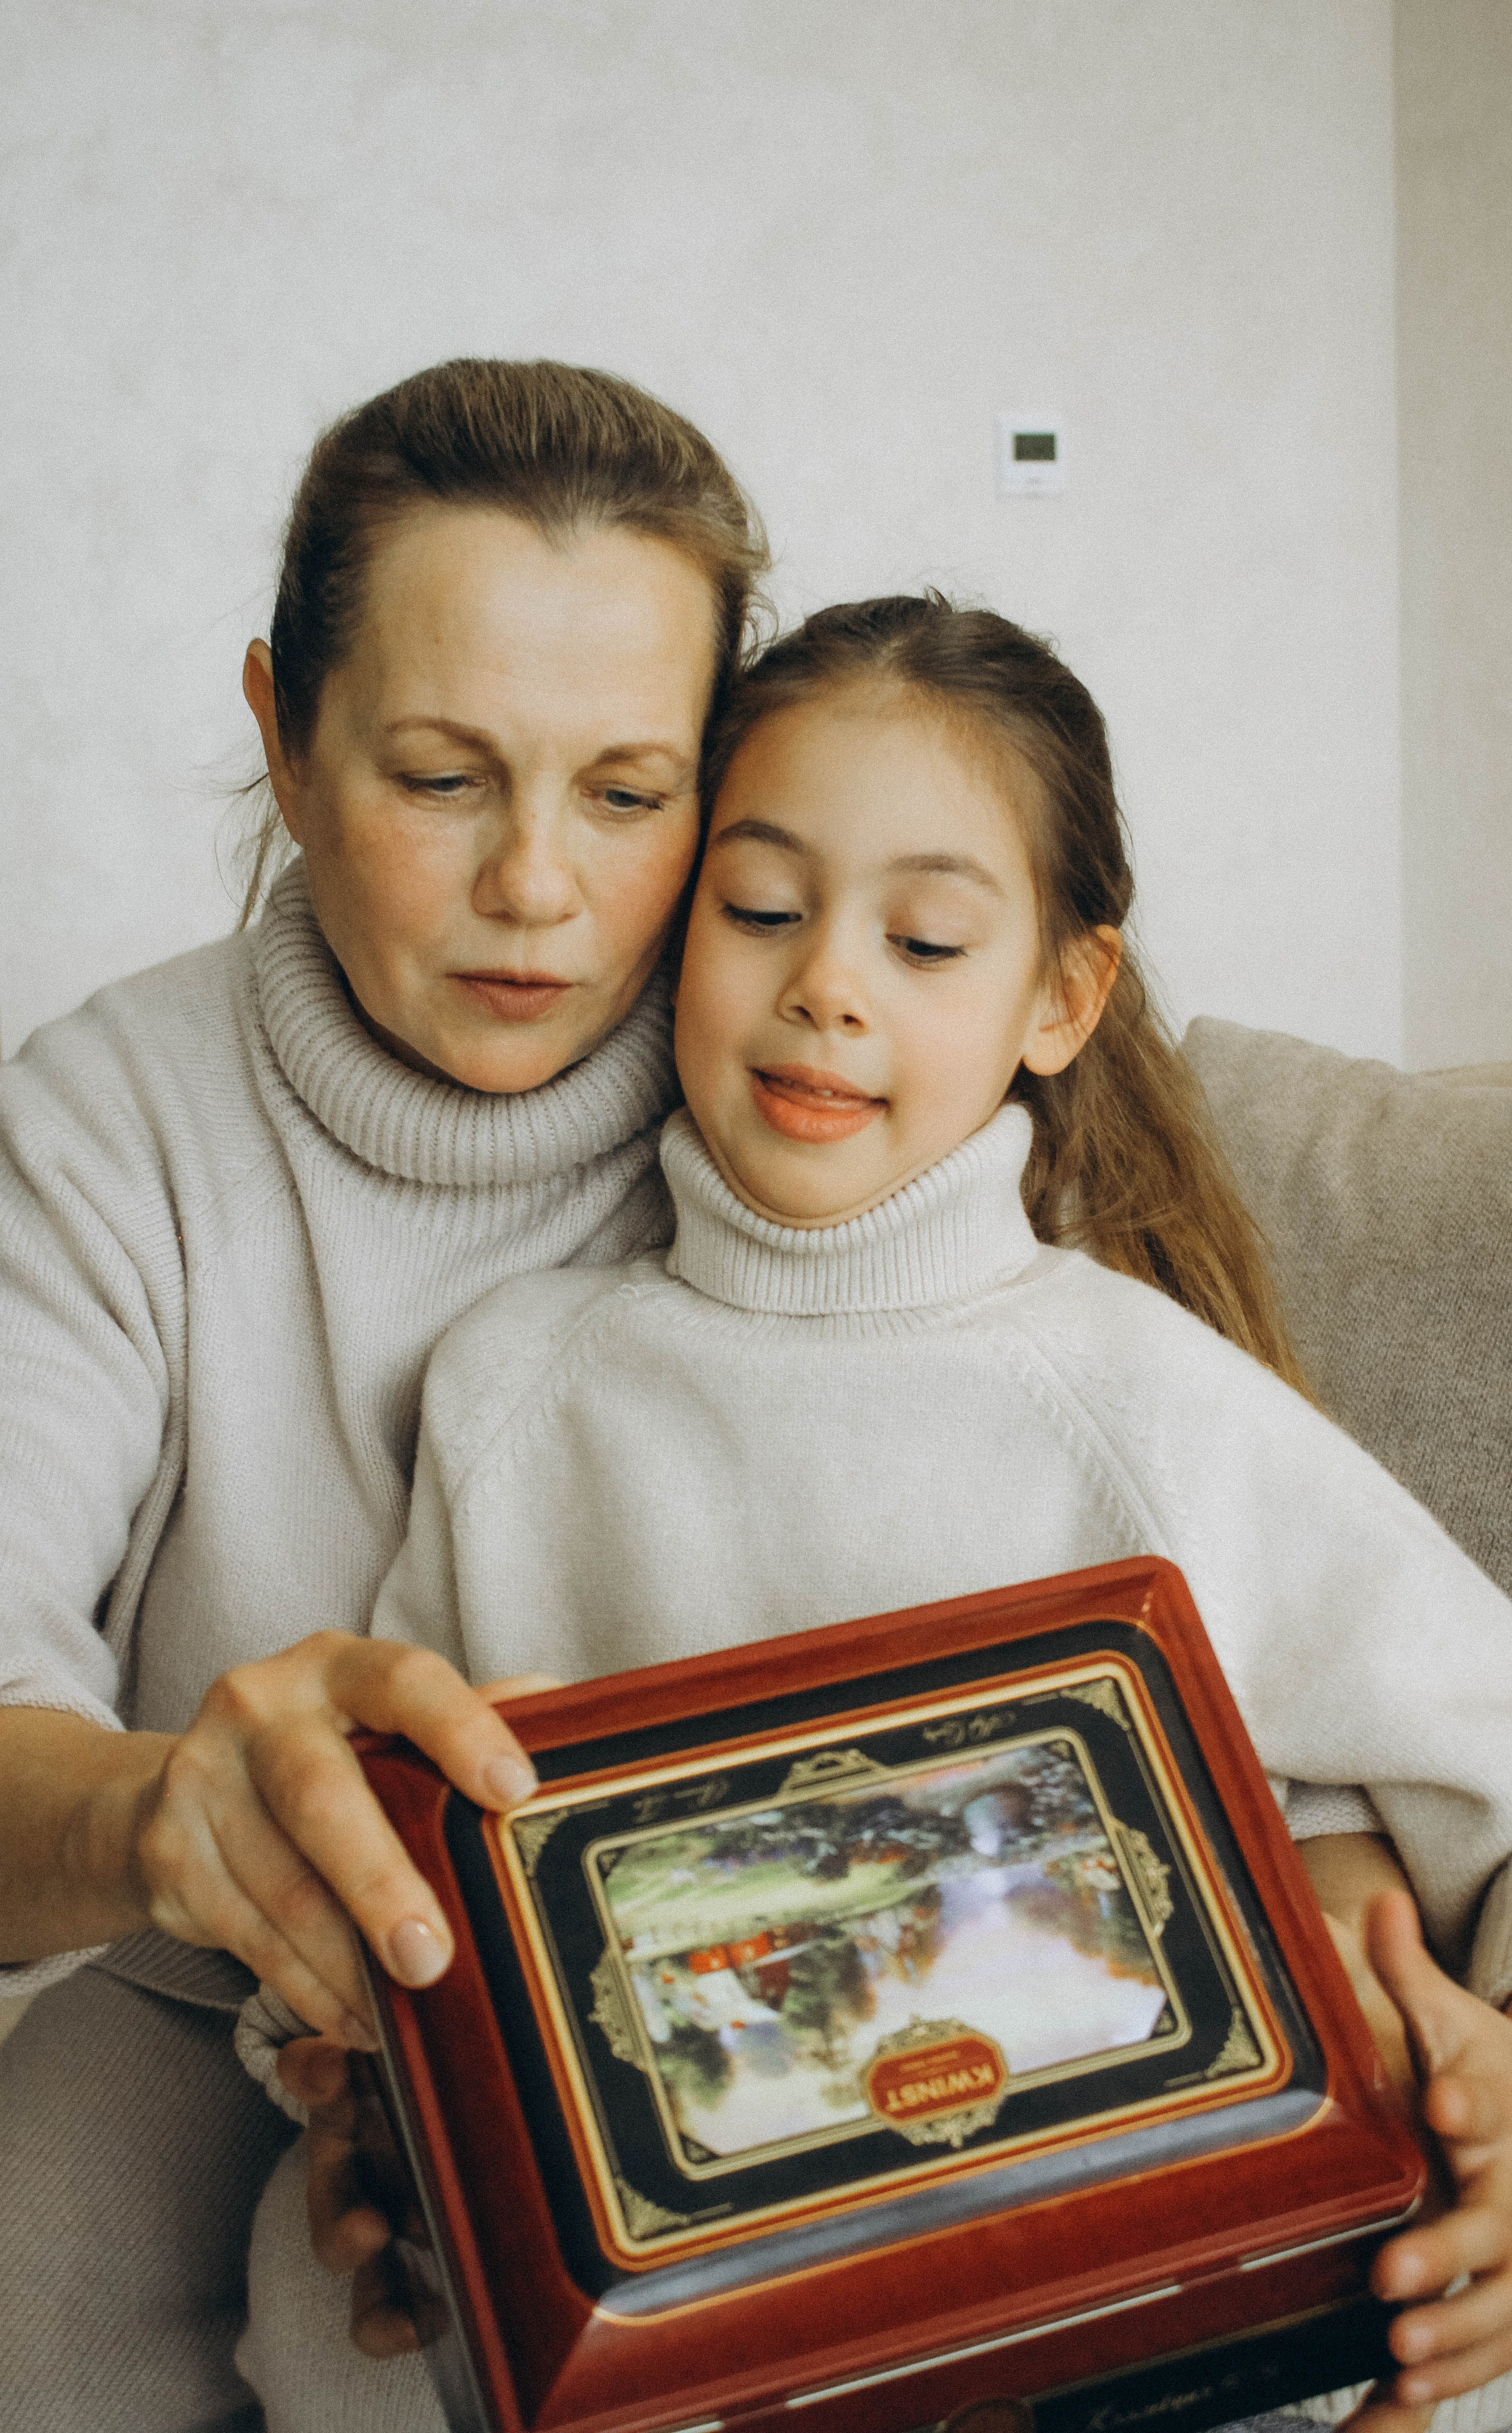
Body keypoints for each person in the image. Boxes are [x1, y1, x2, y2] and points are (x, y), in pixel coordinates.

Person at [238, 596, 1512, 2432]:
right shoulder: (519, 1386)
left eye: (923, 940)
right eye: (759, 910)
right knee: (312, 2304)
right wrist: (374, 2094)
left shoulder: (1142, 1394)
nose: (827, 982)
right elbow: (413, 1860)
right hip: (694, 2306)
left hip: (1097, 2290)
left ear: (1059, 999)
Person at [0, 355, 769, 2432]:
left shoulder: (822, 1089)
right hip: (195, 2002)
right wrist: (171, 1816)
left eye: (628, 794)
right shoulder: (103, 1124)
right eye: (441, 777)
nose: (538, 888)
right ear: (278, 726)